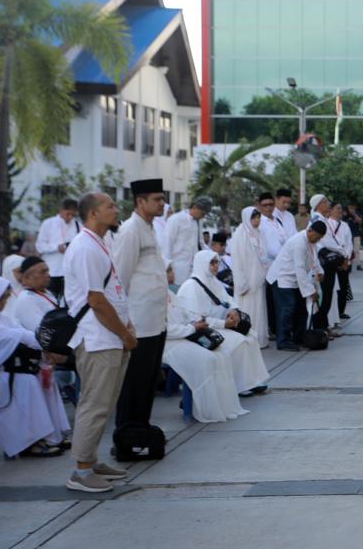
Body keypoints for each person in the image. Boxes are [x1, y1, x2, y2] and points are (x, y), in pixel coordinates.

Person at [64, 192, 137, 493]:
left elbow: (113, 292)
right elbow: (95, 299)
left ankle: (91, 461)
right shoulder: (84, 248)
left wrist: (126, 326)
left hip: (111, 335)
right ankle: (81, 471)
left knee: (104, 403)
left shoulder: (100, 243)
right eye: (110, 206)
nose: (116, 209)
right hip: (98, 338)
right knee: (94, 404)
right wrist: (123, 333)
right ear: (93, 213)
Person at [0, 274, 71, 459]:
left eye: (5, 298)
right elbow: (15, 336)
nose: (3, 303)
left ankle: (54, 435)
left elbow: (19, 330)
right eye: (0, 299)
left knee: (44, 377)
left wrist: (44, 345)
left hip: (4, 369)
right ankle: (33, 441)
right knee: (27, 383)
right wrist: (47, 346)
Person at [111, 179, 169, 430]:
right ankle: (127, 434)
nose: (162, 203)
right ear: (140, 202)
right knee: (134, 381)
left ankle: (141, 430)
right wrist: (125, 323)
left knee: (148, 379)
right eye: (156, 199)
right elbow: (119, 280)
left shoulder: (150, 227)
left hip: (156, 318)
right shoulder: (131, 230)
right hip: (139, 321)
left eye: (162, 198)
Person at [162, 264, 247, 423]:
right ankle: (199, 407)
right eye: (168, 270)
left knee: (221, 354)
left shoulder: (170, 294)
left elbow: (186, 314)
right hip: (168, 343)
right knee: (206, 359)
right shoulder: (155, 297)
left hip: (183, 336)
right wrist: (192, 327)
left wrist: (197, 322)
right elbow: (164, 329)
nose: (172, 273)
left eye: (172, 269)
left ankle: (220, 406)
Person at [177, 250, 269, 395]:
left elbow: (228, 299)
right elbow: (195, 320)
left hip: (221, 324)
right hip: (202, 331)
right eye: (212, 263)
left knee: (251, 337)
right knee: (239, 342)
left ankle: (252, 381)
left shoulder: (213, 281)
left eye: (217, 262)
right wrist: (224, 324)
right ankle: (240, 386)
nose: (215, 266)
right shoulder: (190, 287)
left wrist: (234, 310)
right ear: (202, 264)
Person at [267, 221, 326, 350]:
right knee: (287, 309)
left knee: (301, 308)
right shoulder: (299, 243)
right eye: (316, 237)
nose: (317, 240)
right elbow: (299, 268)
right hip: (282, 277)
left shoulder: (311, 242)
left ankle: (298, 338)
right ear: (310, 231)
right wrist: (311, 291)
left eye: (320, 238)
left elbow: (313, 259)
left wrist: (319, 271)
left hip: (294, 279)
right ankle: (283, 341)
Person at [230, 207, 270, 348]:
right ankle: (245, 339)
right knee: (246, 309)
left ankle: (258, 339)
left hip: (258, 280)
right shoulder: (240, 235)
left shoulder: (259, 233)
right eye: (254, 217)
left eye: (258, 217)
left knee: (258, 309)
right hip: (246, 281)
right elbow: (237, 262)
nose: (257, 220)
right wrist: (241, 283)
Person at [307, 194, 340, 331]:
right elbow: (327, 242)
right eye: (326, 202)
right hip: (322, 263)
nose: (328, 204)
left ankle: (324, 328)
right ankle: (320, 329)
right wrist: (342, 253)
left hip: (324, 262)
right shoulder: (317, 220)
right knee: (324, 298)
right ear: (319, 205)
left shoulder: (322, 218)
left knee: (327, 298)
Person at [35, 199, 80, 298]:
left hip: (70, 271)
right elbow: (40, 246)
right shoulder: (48, 224)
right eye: (68, 214)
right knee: (51, 299)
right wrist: (56, 248)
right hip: (52, 271)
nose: (70, 217)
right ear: (61, 210)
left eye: (73, 215)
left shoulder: (78, 226)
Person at [257, 191, 286, 339]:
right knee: (271, 300)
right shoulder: (260, 222)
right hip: (269, 267)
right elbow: (268, 248)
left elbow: (283, 241)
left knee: (278, 300)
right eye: (265, 205)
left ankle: (277, 328)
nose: (268, 208)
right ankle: (272, 329)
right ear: (260, 206)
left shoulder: (277, 221)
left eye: (270, 204)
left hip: (281, 265)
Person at [164, 196, 212, 282]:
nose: (203, 217)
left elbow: (201, 243)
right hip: (177, 269)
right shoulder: (176, 219)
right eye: (202, 214)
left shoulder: (198, 222)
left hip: (193, 270)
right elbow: (167, 244)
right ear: (195, 207)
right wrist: (168, 269)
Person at [328, 202, 354, 320]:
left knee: (343, 286)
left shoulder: (345, 225)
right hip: (333, 259)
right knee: (333, 287)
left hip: (344, 259)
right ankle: (332, 313)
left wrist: (346, 257)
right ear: (331, 210)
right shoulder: (327, 224)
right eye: (337, 208)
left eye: (340, 208)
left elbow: (349, 242)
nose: (340, 210)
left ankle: (341, 311)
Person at [209, 232, 234, 297]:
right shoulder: (208, 259)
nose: (224, 247)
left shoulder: (222, 258)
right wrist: (229, 287)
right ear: (213, 245)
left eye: (225, 245)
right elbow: (210, 280)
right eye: (222, 245)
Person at [345, 204, 363, 270]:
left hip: (356, 234)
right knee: (348, 250)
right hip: (347, 236)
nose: (351, 209)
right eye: (350, 208)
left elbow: (360, 221)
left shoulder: (357, 214)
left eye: (353, 208)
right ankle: (349, 264)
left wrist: (354, 215)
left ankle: (358, 264)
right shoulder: (346, 215)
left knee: (357, 250)